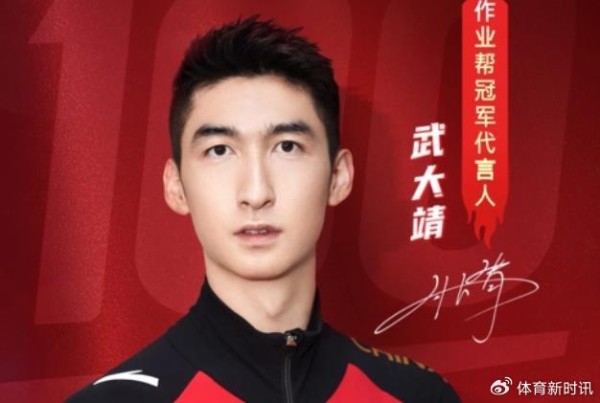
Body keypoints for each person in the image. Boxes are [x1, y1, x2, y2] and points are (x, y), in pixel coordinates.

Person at [68, 17, 460, 402]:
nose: (256, 194)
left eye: (287, 146)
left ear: (338, 177)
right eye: (219, 150)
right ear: (176, 187)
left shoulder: (418, 395)